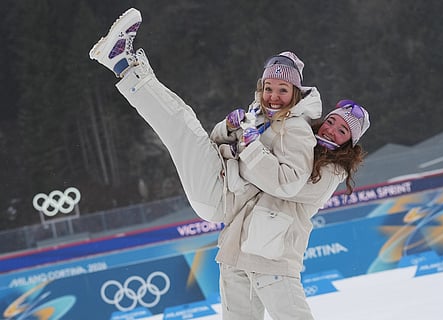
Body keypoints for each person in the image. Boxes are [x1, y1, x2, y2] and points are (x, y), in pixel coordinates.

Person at [89, 8, 370, 320]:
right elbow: (220, 143)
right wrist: (232, 127)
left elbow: (283, 182)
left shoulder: (319, 156)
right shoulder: (278, 123)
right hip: (239, 244)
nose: (332, 130)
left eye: (342, 131)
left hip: (253, 233)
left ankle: (127, 67)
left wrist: (249, 143)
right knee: (187, 128)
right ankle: (128, 67)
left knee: (183, 126)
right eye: (269, 88)